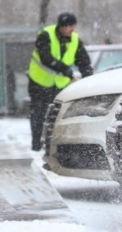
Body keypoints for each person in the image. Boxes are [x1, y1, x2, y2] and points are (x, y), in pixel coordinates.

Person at [28, 12, 93, 151]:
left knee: (57, 115)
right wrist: (64, 69)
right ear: (61, 27)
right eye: (69, 26)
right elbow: (46, 57)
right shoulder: (45, 35)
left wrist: (88, 77)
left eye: (73, 26)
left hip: (59, 84)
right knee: (38, 113)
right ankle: (36, 144)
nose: (72, 29)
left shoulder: (75, 39)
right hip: (39, 81)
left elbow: (83, 60)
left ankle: (52, 146)